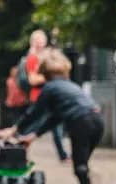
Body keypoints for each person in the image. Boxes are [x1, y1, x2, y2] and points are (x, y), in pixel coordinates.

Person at [0, 49, 106, 184]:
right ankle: (86, 175)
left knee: (79, 164)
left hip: (81, 123)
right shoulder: (71, 86)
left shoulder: (49, 88)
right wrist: (33, 136)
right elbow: (55, 118)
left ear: (44, 73)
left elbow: (34, 113)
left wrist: (15, 130)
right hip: (97, 120)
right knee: (81, 162)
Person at [19, 29, 69, 162]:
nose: (40, 43)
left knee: (56, 125)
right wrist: (50, 76)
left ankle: (63, 155)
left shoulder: (48, 57)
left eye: (42, 40)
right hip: (39, 97)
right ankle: (20, 149)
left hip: (52, 96)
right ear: (32, 42)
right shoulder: (32, 58)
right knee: (33, 126)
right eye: (37, 41)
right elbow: (32, 80)